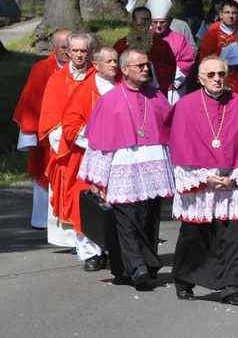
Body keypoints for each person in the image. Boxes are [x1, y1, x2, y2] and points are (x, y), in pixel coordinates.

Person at [78, 48, 175, 289]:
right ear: (124, 69)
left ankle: (140, 266)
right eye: (139, 65)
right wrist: (97, 179)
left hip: (154, 167)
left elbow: (170, 136)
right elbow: (99, 143)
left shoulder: (157, 96)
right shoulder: (109, 100)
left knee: (149, 216)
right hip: (122, 167)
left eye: (146, 65)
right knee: (126, 218)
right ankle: (137, 266)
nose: (145, 69)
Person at [170, 56, 238, 304]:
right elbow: (178, 151)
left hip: (231, 182)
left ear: (227, 76)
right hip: (199, 182)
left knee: (234, 237)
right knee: (194, 235)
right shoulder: (186, 106)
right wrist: (204, 178)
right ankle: (185, 280)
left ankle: (232, 287)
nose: (216, 79)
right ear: (200, 78)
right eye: (210, 75)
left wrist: (235, 179)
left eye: (221, 74)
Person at [57, 47, 120, 271]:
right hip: (88, 156)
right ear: (97, 64)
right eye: (109, 61)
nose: (113, 65)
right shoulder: (84, 90)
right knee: (88, 204)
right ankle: (91, 254)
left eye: (116, 61)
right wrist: (98, 138)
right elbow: (71, 124)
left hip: (120, 156)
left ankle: (115, 250)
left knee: (117, 202)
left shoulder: (123, 88)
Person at [39, 33, 100, 248]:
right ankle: (70, 239)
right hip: (67, 146)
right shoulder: (57, 79)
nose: (79, 55)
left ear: (90, 52)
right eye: (75, 51)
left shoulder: (99, 77)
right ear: (68, 51)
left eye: (83, 51)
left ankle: (96, 238)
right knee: (67, 188)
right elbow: (49, 118)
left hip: (97, 146)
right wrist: (73, 137)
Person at [13, 29, 71, 230]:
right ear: (54, 48)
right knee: (43, 172)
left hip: (74, 134)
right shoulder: (41, 69)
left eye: (70, 47)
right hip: (47, 136)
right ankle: (41, 219)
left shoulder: (84, 69)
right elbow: (30, 102)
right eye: (63, 47)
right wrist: (29, 137)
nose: (68, 52)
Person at [145, 0, 196, 104]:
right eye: (155, 22)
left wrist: (169, 79)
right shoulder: (144, 38)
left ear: (168, 21)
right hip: (149, 87)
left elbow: (186, 60)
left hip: (172, 88)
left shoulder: (179, 39)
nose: (158, 26)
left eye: (162, 22)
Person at [114, 6, 177, 97]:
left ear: (150, 21)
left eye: (145, 19)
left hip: (154, 92)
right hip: (127, 91)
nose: (141, 22)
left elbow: (170, 69)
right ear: (133, 21)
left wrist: (151, 69)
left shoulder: (161, 45)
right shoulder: (121, 45)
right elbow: (115, 68)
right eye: (138, 19)